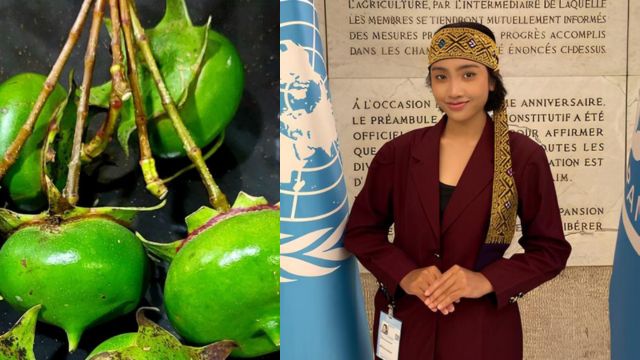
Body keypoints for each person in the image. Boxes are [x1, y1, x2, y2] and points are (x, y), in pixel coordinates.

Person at [343, 22, 572, 360]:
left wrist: (485, 281)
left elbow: (550, 249)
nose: (453, 90)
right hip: (408, 321)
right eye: (440, 76)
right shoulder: (399, 153)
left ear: (491, 80)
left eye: (468, 75)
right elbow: (362, 232)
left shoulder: (523, 157)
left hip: (482, 331)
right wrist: (405, 274)